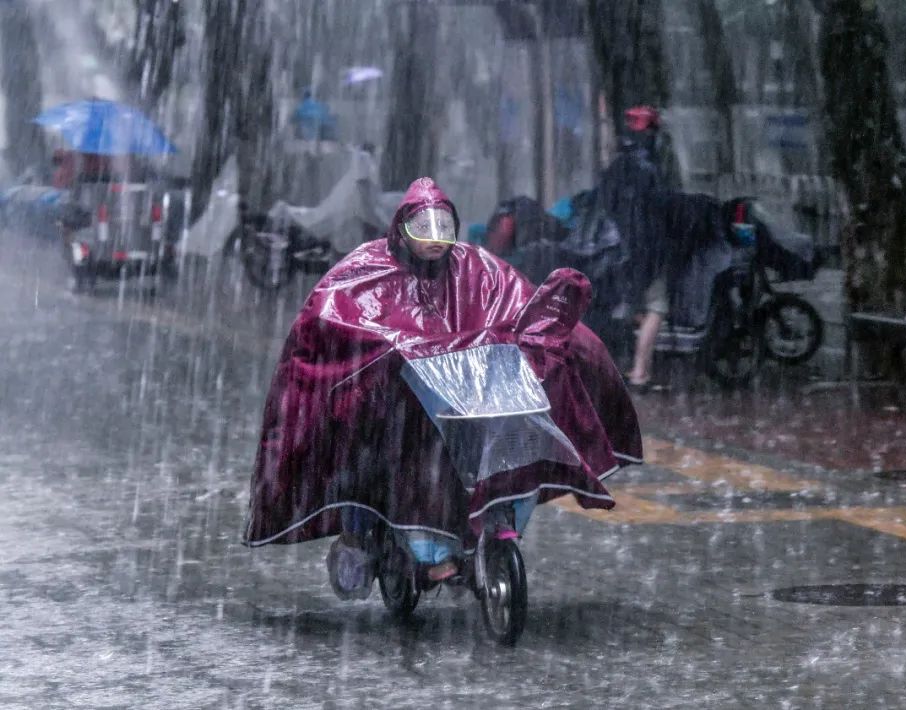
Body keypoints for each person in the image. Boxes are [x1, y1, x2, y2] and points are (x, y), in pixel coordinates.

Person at [244, 177, 642, 599]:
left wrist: (550, 335)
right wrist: (383, 351)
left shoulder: (477, 267)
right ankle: (363, 537)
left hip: (463, 404)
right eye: (423, 228)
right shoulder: (366, 268)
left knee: (502, 445)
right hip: (392, 403)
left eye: (443, 228)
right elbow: (333, 317)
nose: (435, 240)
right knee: (371, 469)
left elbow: (516, 304)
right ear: (402, 230)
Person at [597, 105, 677, 392]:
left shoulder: (618, 165)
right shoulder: (650, 168)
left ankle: (630, 365)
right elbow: (663, 208)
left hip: (622, 249)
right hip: (648, 248)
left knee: (636, 304)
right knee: (657, 307)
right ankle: (640, 372)